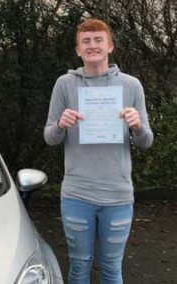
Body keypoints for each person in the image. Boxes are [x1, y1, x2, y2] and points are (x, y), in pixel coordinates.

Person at [44, 18, 153, 283]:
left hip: (118, 196)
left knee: (111, 267)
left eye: (98, 40)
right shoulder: (64, 84)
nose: (92, 46)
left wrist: (137, 127)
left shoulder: (131, 86)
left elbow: (146, 141)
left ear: (110, 46)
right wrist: (60, 125)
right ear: (78, 50)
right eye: (86, 41)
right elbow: (50, 138)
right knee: (79, 266)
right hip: (77, 194)